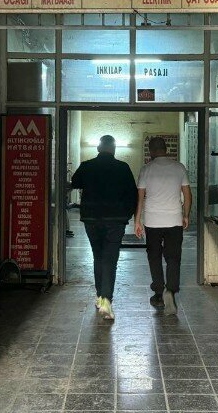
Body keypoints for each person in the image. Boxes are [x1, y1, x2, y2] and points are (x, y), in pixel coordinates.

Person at [70, 135, 138, 321]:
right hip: (115, 220)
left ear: (99, 148)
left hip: (92, 219)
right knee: (110, 259)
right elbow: (132, 194)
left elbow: (74, 182)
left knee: (98, 256)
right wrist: (126, 215)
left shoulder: (87, 166)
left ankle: (100, 296)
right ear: (114, 149)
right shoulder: (123, 168)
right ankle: (106, 299)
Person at [135, 137, 192, 315]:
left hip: (152, 221)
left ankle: (159, 293)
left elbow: (140, 198)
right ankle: (171, 290)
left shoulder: (146, 169)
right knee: (173, 257)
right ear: (166, 149)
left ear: (151, 151)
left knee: (154, 256)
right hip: (174, 219)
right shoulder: (179, 167)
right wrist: (186, 215)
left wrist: (137, 221)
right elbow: (187, 195)